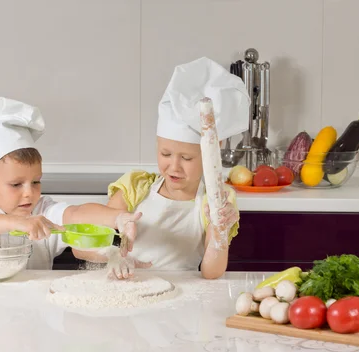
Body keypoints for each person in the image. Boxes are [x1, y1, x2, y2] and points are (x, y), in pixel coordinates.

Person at [73, 57, 250, 279]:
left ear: (212, 155)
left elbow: (211, 272)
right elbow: (82, 247)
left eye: (186, 157)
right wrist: (113, 254)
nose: (174, 166)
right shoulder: (136, 187)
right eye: (165, 154)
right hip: (125, 288)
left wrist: (219, 233)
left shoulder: (214, 201)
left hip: (180, 293)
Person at [0, 97, 141, 271]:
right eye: (16, 184)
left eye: (35, 182)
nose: (29, 193)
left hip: (31, 306)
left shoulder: (42, 211)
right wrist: (15, 222)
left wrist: (117, 217)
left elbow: (75, 214)